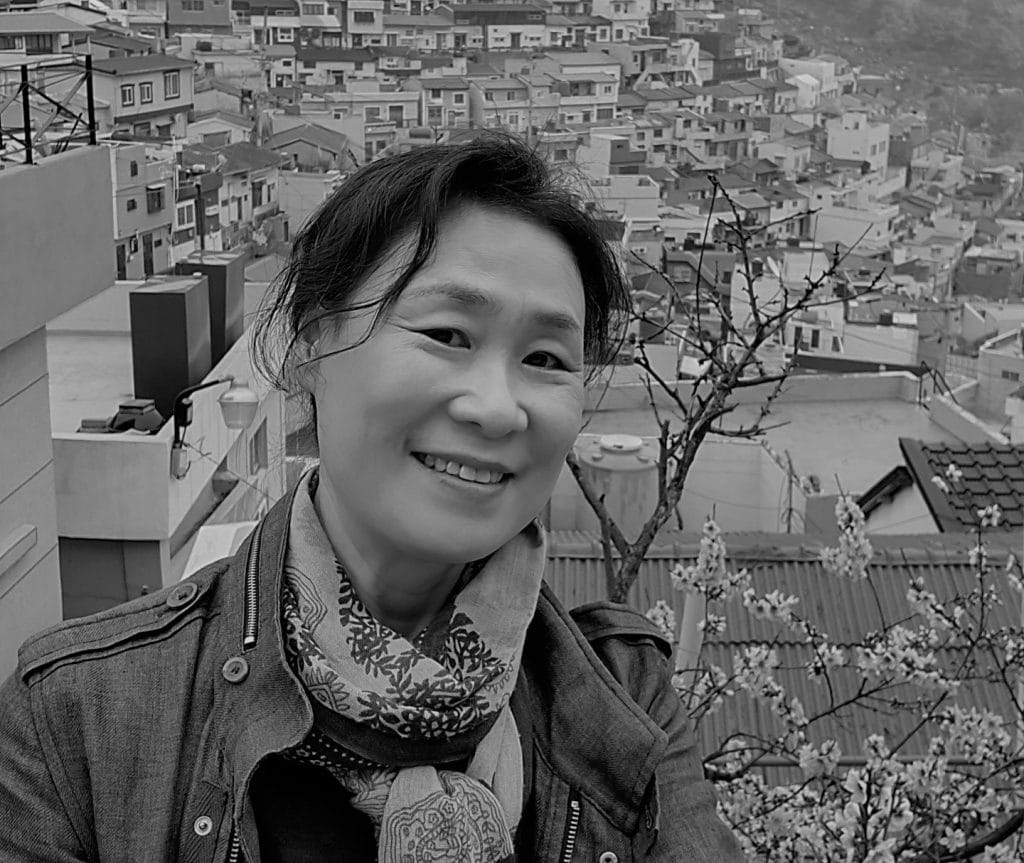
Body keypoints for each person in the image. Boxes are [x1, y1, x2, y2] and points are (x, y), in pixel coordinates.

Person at [0, 134, 745, 862]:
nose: (497, 408)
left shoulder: (626, 701)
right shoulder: (79, 718)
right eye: (448, 333)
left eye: (546, 358)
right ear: (309, 347)